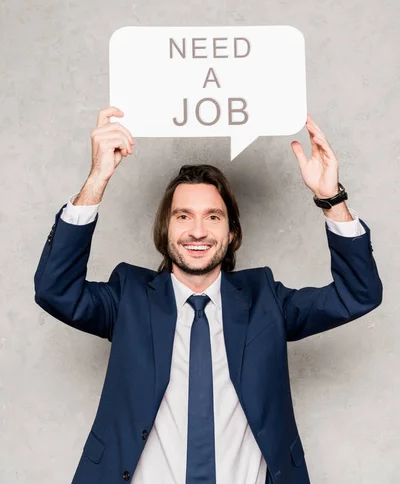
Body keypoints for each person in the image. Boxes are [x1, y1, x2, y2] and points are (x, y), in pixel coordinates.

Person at [34, 106, 382, 484]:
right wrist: (97, 179)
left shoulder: (266, 300)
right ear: (166, 229)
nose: (197, 231)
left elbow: (357, 293)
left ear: (232, 232)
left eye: (213, 217)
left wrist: (331, 199)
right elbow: (55, 290)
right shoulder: (128, 298)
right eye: (183, 216)